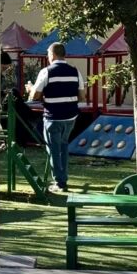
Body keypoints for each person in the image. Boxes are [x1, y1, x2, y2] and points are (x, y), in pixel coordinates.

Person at [29, 42, 86, 193]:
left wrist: (31, 89)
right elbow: (82, 96)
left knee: (54, 149)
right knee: (63, 146)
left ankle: (60, 182)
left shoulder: (46, 71)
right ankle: (63, 178)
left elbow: (35, 96)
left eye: (48, 54)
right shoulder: (75, 71)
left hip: (53, 116)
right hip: (70, 116)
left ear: (52, 55)